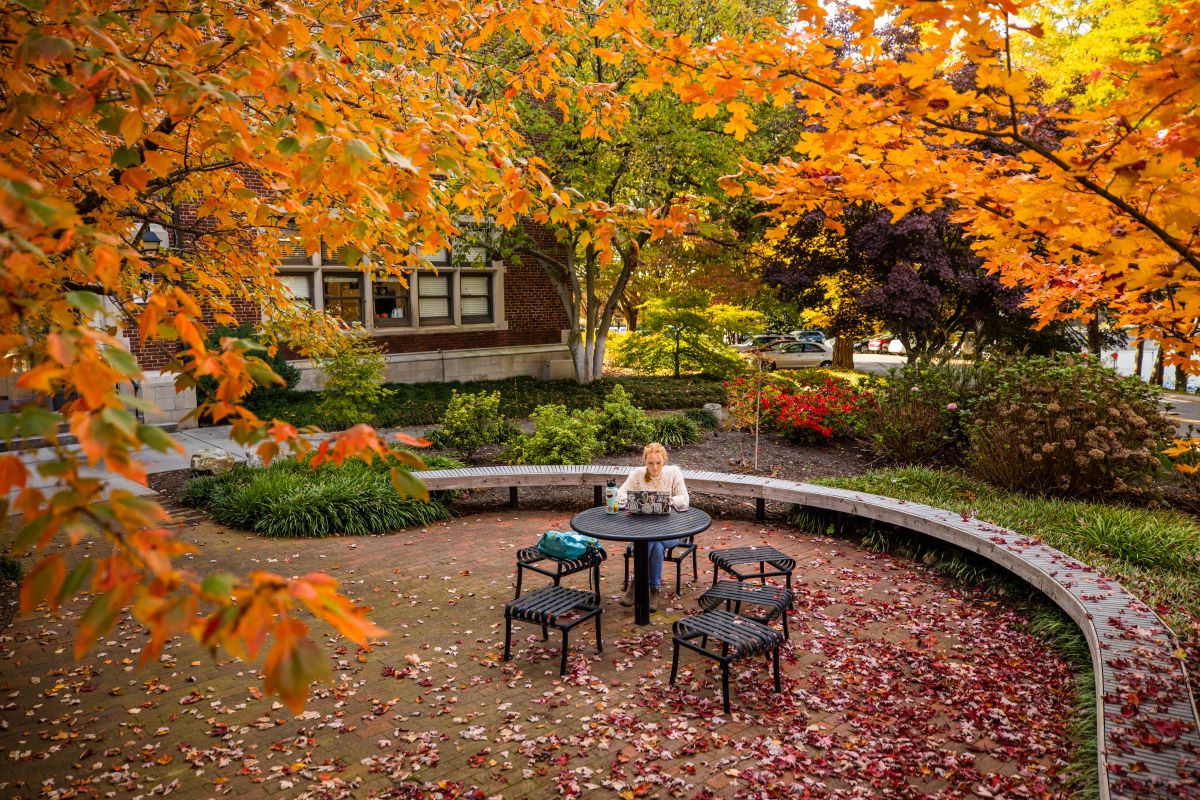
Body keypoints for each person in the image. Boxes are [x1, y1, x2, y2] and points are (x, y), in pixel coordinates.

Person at [617, 442, 689, 611]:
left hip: (672, 530)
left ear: (664, 461)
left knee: (650, 541)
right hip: (646, 530)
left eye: (658, 463)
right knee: (655, 545)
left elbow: (684, 499)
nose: (655, 467)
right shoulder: (637, 474)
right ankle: (654, 590)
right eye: (650, 463)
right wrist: (635, 499)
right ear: (645, 462)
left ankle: (636, 582)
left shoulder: (673, 473)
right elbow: (619, 494)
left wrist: (666, 501)